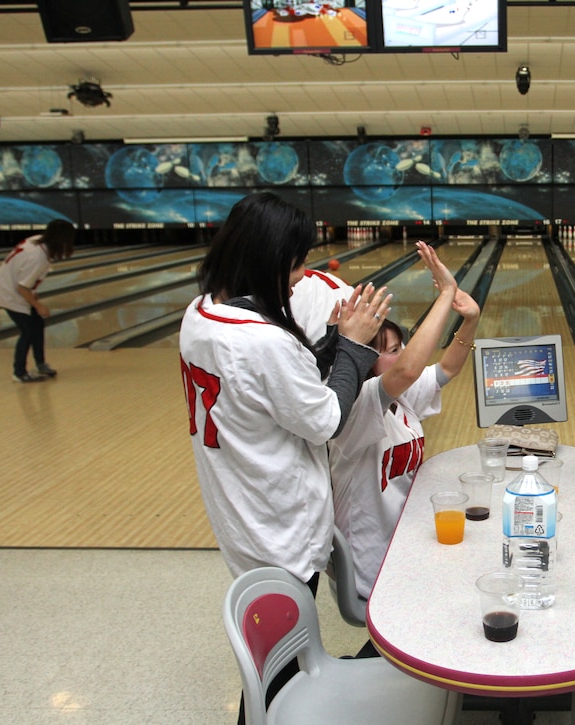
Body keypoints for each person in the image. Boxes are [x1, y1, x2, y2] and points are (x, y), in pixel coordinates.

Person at [179, 192, 390, 723]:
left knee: (275, 663)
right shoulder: (262, 342)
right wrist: (356, 348)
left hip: (242, 511)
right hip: (279, 527)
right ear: (267, 260)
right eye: (295, 263)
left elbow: (278, 385)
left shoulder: (201, 315)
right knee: (277, 682)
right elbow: (323, 418)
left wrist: (332, 343)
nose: (301, 277)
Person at [328, 241, 481, 600]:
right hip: (370, 567)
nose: (401, 358)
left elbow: (447, 367)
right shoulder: (356, 406)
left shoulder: (399, 399)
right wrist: (446, 294)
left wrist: (470, 319)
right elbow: (410, 369)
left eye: (400, 348)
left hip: (405, 546)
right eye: (391, 352)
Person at [0, 220, 76, 383]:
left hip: (11, 288)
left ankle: (41, 364)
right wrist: (38, 305)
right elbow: (22, 288)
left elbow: (23, 279)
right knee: (28, 331)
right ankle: (19, 372)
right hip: (9, 294)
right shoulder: (37, 257)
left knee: (37, 325)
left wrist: (33, 294)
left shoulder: (38, 240)